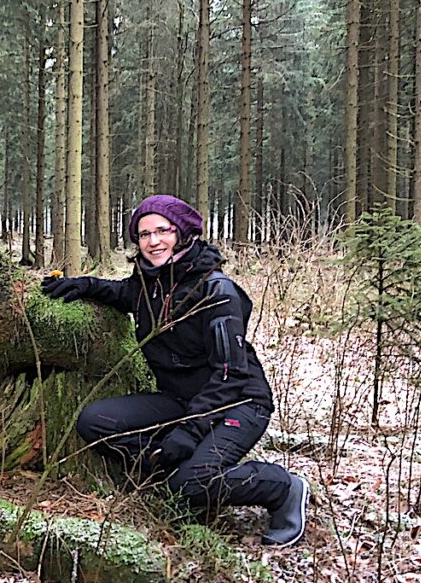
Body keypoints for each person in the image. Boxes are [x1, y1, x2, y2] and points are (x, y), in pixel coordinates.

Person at [41, 195, 309, 547]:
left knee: (190, 485)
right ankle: (170, 468)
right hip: (181, 399)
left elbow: (231, 375)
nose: (153, 242)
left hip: (238, 403)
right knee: (96, 422)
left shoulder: (216, 292)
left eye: (162, 231)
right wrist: (87, 285)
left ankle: (283, 487)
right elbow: (125, 292)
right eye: (144, 234)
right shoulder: (150, 283)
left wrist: (189, 431)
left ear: (183, 233)